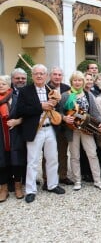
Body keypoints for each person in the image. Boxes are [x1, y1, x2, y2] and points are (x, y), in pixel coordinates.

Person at [16, 64, 65, 203]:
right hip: (35, 129)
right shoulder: (25, 91)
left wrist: (56, 103)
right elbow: (20, 110)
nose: (39, 76)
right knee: (32, 161)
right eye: (36, 73)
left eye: (41, 73)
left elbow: (59, 108)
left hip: (50, 128)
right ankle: (31, 190)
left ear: (46, 76)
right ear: (32, 76)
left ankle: (52, 184)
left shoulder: (51, 89)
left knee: (52, 158)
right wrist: (40, 106)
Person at [59, 71, 101, 191]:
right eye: (75, 80)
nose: (77, 82)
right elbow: (59, 112)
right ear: (71, 82)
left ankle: (97, 180)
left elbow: (95, 112)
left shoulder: (88, 94)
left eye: (80, 80)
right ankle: (77, 181)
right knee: (75, 156)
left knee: (92, 154)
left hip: (86, 129)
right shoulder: (65, 95)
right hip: (72, 130)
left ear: (83, 82)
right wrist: (64, 118)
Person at [43, 67, 73, 187]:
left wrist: (66, 117)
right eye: (54, 74)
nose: (57, 77)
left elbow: (70, 106)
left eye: (59, 75)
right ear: (50, 76)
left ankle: (63, 176)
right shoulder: (44, 88)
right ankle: (46, 178)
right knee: (48, 154)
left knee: (62, 152)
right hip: (49, 125)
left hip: (63, 126)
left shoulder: (67, 88)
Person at [0, 75, 26, 202]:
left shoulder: (17, 98)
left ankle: (18, 186)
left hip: (15, 135)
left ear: (9, 85)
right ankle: (3, 189)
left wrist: (17, 122)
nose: (0, 85)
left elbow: (25, 116)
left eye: (3, 83)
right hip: (1, 137)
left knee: (17, 162)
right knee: (1, 163)